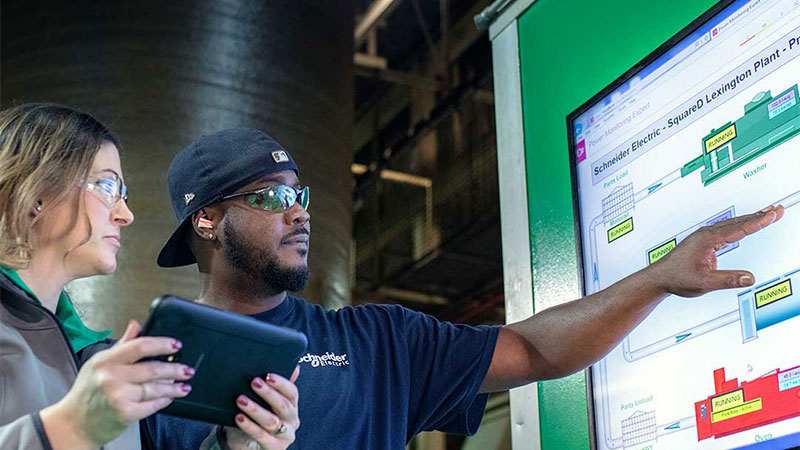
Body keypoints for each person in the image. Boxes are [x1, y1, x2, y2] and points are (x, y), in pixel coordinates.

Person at [145, 127, 784, 449]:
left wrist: (660, 278)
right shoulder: (147, 371)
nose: (300, 212)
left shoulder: (376, 344)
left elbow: (535, 351)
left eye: (300, 194)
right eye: (272, 197)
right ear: (207, 221)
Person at [0, 106, 297, 450]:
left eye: (123, 195)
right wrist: (69, 427)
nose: (125, 215)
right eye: (106, 186)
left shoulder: (94, 357)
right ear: (36, 194)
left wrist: (236, 445)